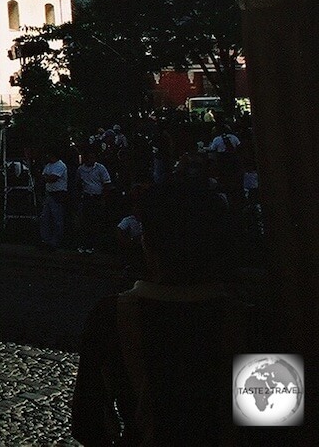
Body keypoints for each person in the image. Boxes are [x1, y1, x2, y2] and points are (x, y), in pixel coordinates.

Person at [70, 185, 247, 445]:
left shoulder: (111, 315)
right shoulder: (251, 320)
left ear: (147, 241)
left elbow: (88, 422)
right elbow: (277, 420)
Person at [76, 148, 113, 252]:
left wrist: (103, 198)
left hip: (97, 198)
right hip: (86, 198)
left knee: (95, 222)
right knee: (85, 222)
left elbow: (107, 184)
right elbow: (78, 183)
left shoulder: (100, 168)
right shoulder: (80, 169)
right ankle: (84, 244)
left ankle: (94, 245)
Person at [40, 149, 70, 250]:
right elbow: (43, 177)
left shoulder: (60, 165)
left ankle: (56, 242)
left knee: (57, 218)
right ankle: (45, 240)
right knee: (45, 218)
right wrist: (47, 178)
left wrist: (47, 177)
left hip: (58, 194)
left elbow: (52, 178)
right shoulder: (48, 165)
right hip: (49, 193)